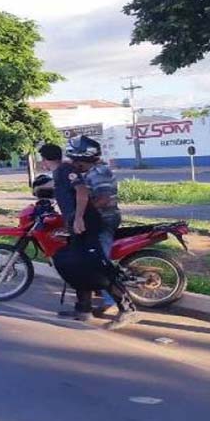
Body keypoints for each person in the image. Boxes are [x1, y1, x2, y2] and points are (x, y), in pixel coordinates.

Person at [37, 142, 139, 330]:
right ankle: (83, 309)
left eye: (76, 160)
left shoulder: (85, 171)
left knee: (98, 266)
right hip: (84, 225)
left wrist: (78, 217)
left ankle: (127, 310)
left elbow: (92, 196)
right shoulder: (71, 171)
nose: (74, 163)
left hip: (98, 223)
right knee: (78, 265)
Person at [66, 135, 122, 316]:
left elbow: (104, 199)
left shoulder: (99, 172)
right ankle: (90, 300)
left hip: (104, 220)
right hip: (96, 219)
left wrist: (83, 214)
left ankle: (112, 301)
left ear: (83, 158)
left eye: (75, 159)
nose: (73, 163)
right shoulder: (89, 172)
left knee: (99, 261)